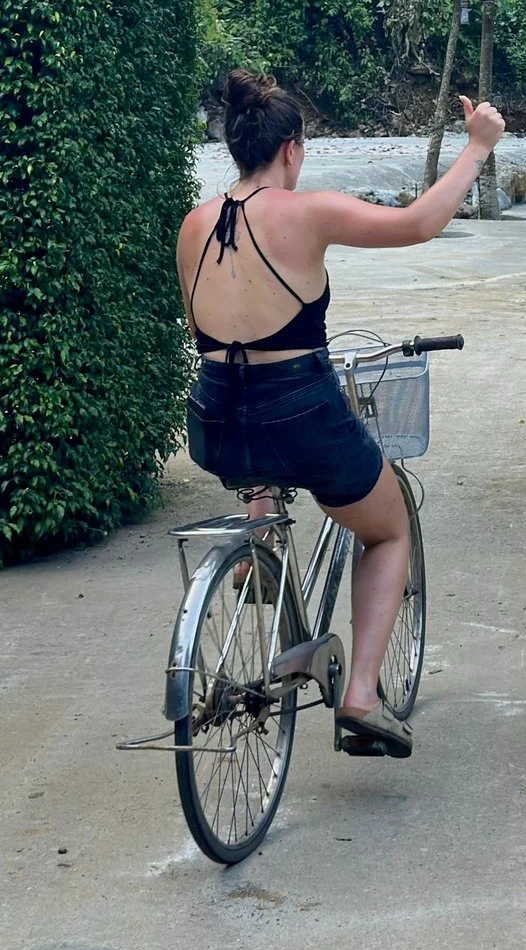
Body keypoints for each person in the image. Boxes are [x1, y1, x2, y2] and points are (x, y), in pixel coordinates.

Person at [179, 70, 504, 760]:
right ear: (290, 149)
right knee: (386, 529)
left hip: (215, 421)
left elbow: (210, 333)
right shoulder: (307, 212)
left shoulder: (194, 226)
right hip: (301, 413)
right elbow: (418, 223)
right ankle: (360, 693)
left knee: (247, 404)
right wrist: (476, 146)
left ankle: (260, 540)